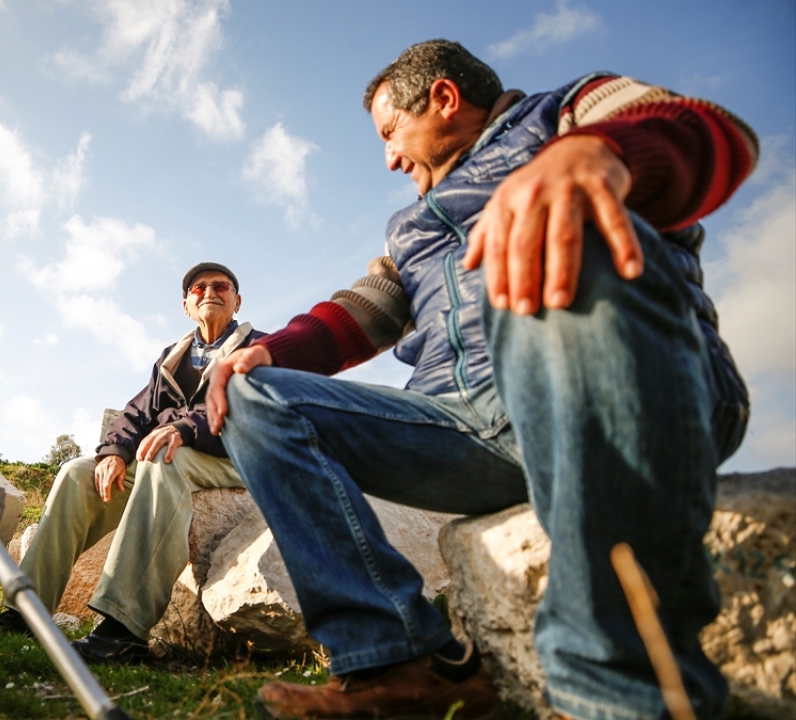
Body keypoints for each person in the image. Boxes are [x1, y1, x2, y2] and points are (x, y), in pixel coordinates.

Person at [206, 40, 755, 720]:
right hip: (462, 428)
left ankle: (620, 691)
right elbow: (363, 313)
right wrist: (271, 352)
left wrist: (597, 156)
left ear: (441, 99)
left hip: (623, 387)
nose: (388, 159)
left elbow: (704, 129)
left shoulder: (570, 112)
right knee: (255, 392)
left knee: (548, 233)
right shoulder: (410, 228)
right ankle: (395, 665)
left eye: (389, 133)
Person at [0, 263, 264, 663]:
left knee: (163, 458)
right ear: (187, 306)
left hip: (238, 456)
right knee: (76, 474)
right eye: (197, 287)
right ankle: (26, 611)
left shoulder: (259, 346)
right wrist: (114, 452)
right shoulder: (170, 358)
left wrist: (186, 429)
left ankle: (124, 629)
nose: (209, 291)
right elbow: (136, 414)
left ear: (237, 300)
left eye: (220, 286)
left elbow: (249, 409)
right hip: (176, 454)